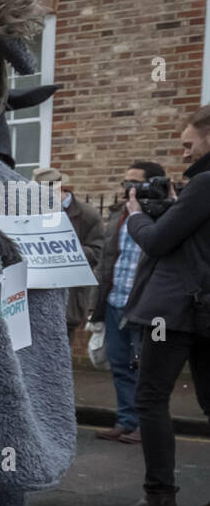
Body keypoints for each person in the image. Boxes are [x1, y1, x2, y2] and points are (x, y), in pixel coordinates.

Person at [98, 106, 210, 506]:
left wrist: (137, 215)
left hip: (176, 311)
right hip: (204, 310)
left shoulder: (204, 184)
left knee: (150, 399)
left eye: (188, 143)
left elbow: (158, 242)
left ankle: (159, 502)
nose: (184, 153)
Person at [89, 161, 167, 444]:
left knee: (145, 370)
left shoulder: (163, 216)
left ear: (150, 185)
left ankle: (144, 426)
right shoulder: (118, 214)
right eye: (126, 183)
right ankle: (126, 421)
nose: (128, 189)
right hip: (114, 300)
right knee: (120, 365)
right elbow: (108, 258)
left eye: (135, 183)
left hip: (144, 306)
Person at [32, 166, 104, 339]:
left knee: (62, 353)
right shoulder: (32, 212)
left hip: (69, 298)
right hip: (36, 294)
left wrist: (62, 249)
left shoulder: (88, 215)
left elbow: (97, 252)